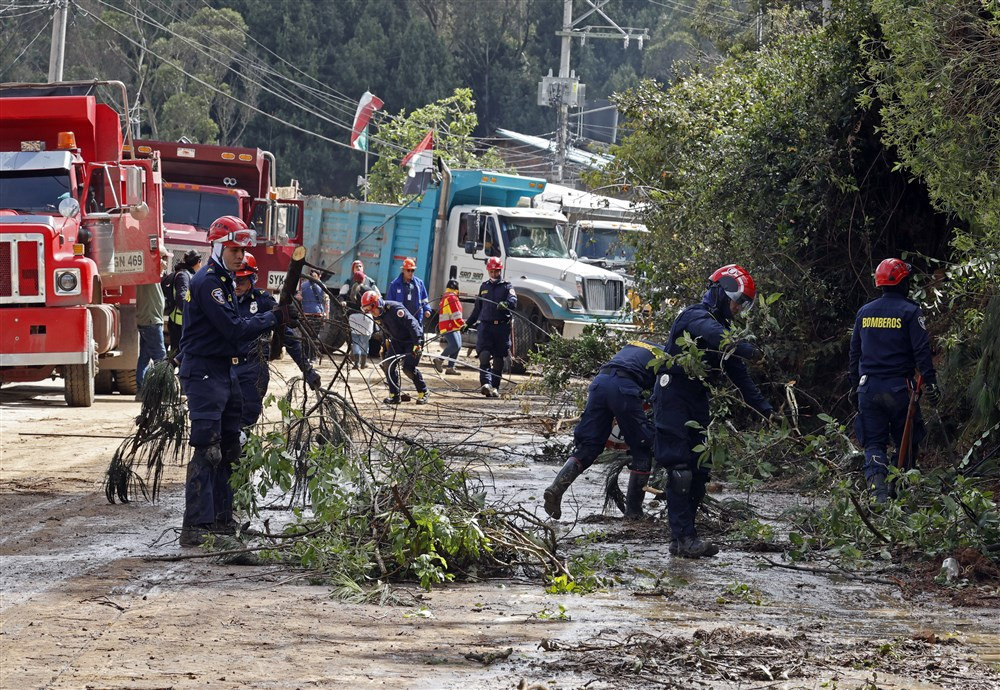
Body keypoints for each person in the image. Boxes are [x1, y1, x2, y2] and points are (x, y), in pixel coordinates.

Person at [177, 216, 294, 547]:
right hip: (204, 372)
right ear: (217, 247)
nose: (241, 256)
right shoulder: (208, 283)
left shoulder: (225, 281)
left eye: (243, 251)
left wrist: (271, 316)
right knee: (208, 449)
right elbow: (233, 327)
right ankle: (195, 526)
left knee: (231, 448)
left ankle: (223, 520)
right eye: (234, 250)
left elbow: (240, 325)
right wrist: (272, 318)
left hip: (224, 371)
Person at [653, 264, 773, 558]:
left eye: (744, 305)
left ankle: (683, 538)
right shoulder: (694, 316)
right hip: (673, 396)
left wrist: (767, 410)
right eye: (737, 300)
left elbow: (739, 374)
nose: (738, 308)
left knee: (699, 470)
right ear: (721, 292)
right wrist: (749, 349)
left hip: (696, 398)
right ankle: (684, 537)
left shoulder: (726, 329)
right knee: (680, 470)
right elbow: (718, 338)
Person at [849, 258, 939, 504]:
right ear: (902, 283)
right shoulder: (910, 311)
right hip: (900, 390)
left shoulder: (864, 312)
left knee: (874, 444)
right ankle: (900, 495)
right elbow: (922, 351)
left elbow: (854, 354)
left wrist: (853, 386)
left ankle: (879, 496)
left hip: (868, 389)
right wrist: (930, 383)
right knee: (906, 443)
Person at [543, 339, 664, 521]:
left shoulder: (637, 345)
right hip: (624, 387)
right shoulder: (667, 357)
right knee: (643, 448)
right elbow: (660, 399)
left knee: (589, 445)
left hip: (600, 384)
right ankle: (634, 512)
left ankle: (556, 488)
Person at [233, 252, 320, 429]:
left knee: (244, 425)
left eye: (241, 281)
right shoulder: (223, 300)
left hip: (253, 370)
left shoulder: (263, 301)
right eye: (233, 280)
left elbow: (287, 337)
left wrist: (307, 369)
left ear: (253, 278)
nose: (236, 285)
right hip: (226, 369)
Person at [360, 290, 428, 405]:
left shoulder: (395, 309)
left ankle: (423, 392)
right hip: (397, 341)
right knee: (388, 364)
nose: (371, 313)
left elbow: (413, 325)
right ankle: (395, 395)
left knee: (408, 368)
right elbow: (386, 330)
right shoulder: (378, 314)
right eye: (368, 311)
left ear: (377, 303)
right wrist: (384, 345)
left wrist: (417, 344)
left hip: (412, 340)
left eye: (371, 309)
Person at [463, 256, 517, 397]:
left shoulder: (507, 286)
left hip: (501, 328)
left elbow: (513, 300)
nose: (494, 274)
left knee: (498, 360)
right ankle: (485, 384)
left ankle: (494, 387)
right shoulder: (484, 286)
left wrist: (507, 304)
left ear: (500, 271)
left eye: (496, 271)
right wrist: (467, 323)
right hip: (486, 327)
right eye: (491, 272)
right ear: (488, 271)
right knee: (484, 355)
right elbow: (477, 309)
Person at [135, 254, 168, 397]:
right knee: (160, 357)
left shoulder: (148, 276)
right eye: (163, 259)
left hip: (147, 320)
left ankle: (142, 390)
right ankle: (163, 390)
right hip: (151, 321)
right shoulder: (150, 275)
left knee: (144, 357)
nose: (165, 263)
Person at [340, 261, 379, 368]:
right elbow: (377, 298)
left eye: (360, 266)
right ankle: (363, 363)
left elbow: (342, 296)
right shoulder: (368, 288)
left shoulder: (351, 288)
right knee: (365, 341)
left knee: (355, 340)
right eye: (356, 266)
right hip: (366, 317)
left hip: (353, 317)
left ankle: (356, 363)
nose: (358, 267)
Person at [166, 250, 202, 359]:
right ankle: (167, 375)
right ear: (198, 262)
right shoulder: (183, 275)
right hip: (179, 324)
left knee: (180, 354)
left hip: (182, 322)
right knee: (178, 354)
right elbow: (181, 298)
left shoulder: (187, 274)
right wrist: (191, 314)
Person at [433, 279, 465, 376]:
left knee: (458, 346)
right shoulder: (451, 297)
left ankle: (451, 367)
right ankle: (439, 359)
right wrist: (462, 324)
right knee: (455, 345)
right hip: (449, 326)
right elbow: (456, 314)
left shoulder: (448, 296)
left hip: (451, 325)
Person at [386, 257, 431, 322]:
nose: (410, 272)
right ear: (403, 270)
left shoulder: (419, 284)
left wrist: (427, 310)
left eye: (412, 270)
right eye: (408, 270)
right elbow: (390, 303)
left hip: (416, 319)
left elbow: (424, 299)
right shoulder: (395, 284)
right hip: (401, 320)